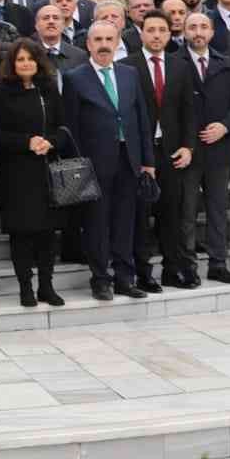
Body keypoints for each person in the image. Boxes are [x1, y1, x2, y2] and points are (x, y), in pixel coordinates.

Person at [64, 20, 156, 302]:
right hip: (94, 165)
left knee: (125, 222)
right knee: (97, 224)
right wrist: (77, 167)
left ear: (117, 43)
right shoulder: (75, 77)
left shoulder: (129, 74)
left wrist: (148, 161)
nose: (104, 44)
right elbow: (71, 126)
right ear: (88, 44)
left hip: (129, 161)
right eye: (98, 39)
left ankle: (125, 279)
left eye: (109, 39)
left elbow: (141, 118)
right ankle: (100, 279)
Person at [0, 40, 67, 307]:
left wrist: (51, 142)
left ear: (39, 62)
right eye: (20, 60)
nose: (26, 64)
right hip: (15, 174)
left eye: (30, 59)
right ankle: (26, 288)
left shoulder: (49, 91)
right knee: (21, 234)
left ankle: (46, 285)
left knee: (47, 233)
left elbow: (63, 128)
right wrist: (26, 142)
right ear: (12, 64)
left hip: (46, 171)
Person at [180, 12, 230, 285]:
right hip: (188, 150)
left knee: (218, 209)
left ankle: (218, 263)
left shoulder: (225, 63)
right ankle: (188, 266)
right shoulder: (176, 62)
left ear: (211, 32)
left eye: (203, 27)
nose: (198, 32)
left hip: (219, 148)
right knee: (186, 211)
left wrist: (225, 126)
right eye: (192, 27)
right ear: (184, 32)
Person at [129, 10, 194, 293]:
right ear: (141, 33)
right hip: (141, 154)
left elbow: (190, 111)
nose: (156, 35)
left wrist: (189, 146)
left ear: (170, 34)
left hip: (172, 152)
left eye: (162, 30)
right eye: (151, 29)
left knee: (172, 213)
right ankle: (143, 272)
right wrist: (140, 156)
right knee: (141, 215)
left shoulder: (181, 66)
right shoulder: (127, 66)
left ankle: (172, 269)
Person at [34, 4, 87, 83]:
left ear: (63, 25)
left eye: (55, 18)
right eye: (46, 18)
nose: (51, 21)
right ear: (36, 26)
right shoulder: (29, 54)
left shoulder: (79, 56)